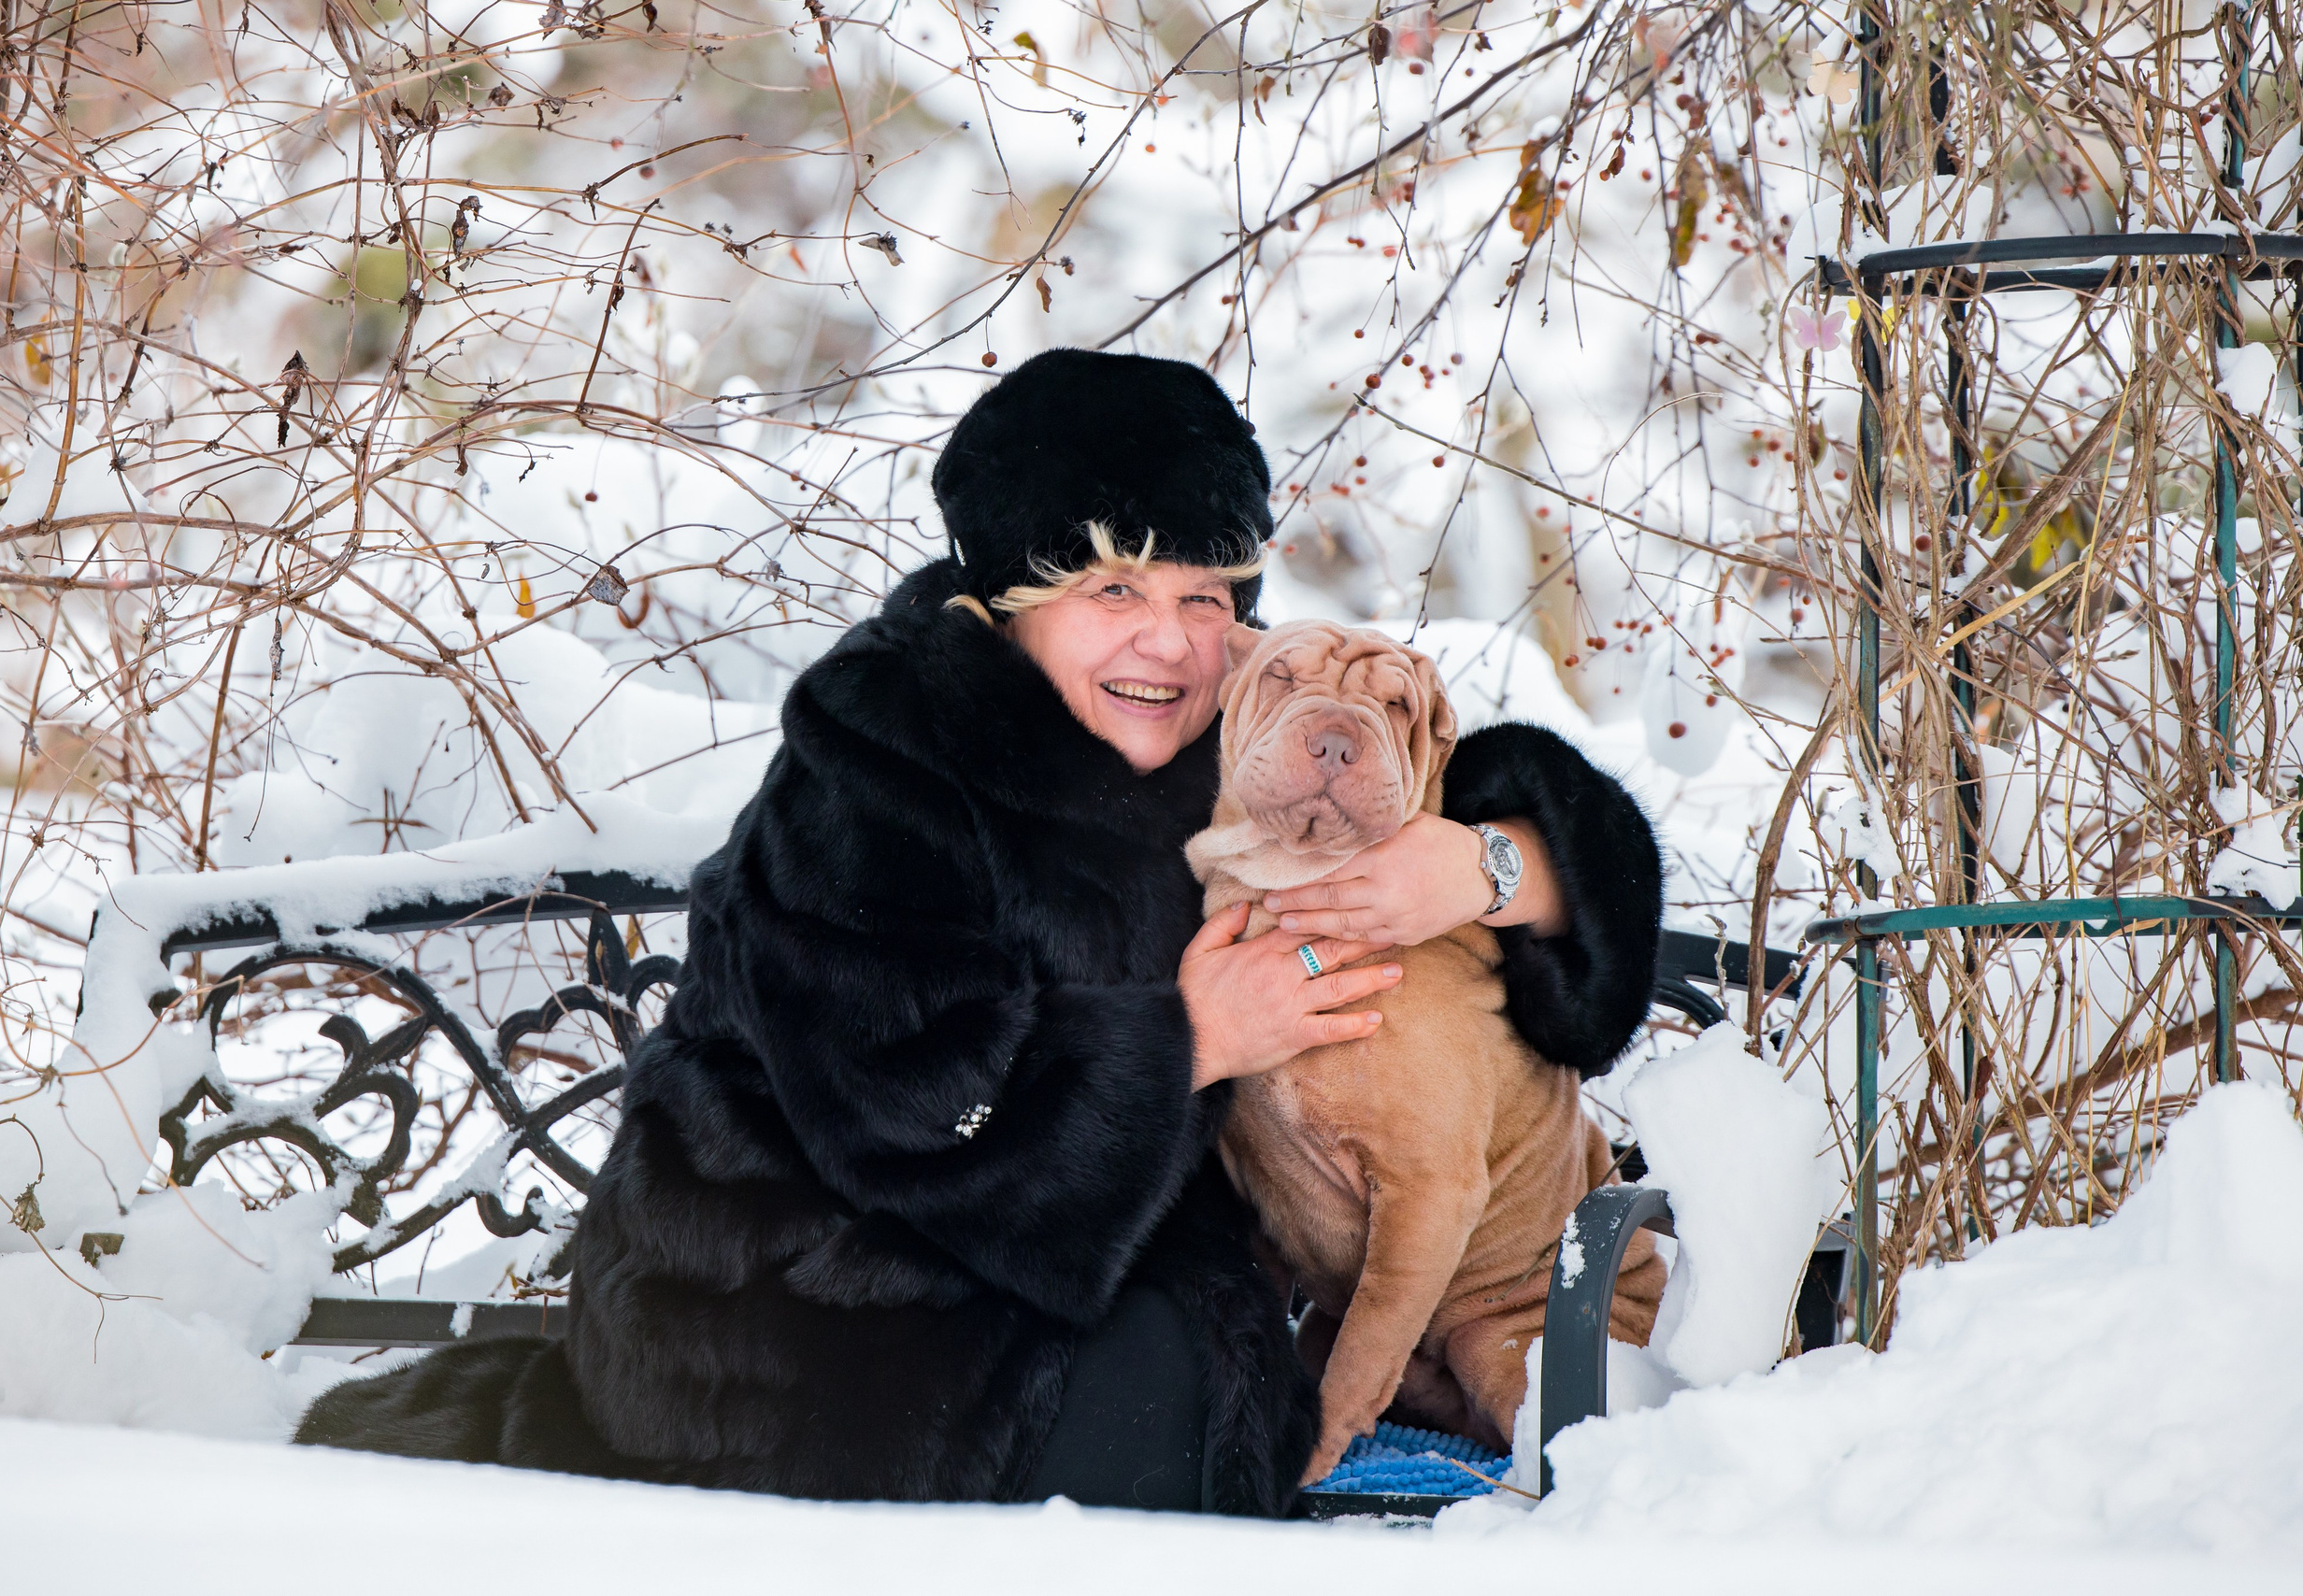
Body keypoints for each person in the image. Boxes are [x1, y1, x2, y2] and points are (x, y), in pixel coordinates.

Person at [295, 349, 1664, 1515]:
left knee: (1178, 1381)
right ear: (1010, 602)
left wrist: (1488, 868)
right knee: (1150, 1392)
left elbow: (1558, 866)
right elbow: (908, 1120)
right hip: (805, 1327)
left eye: (1205, 598)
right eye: (1115, 595)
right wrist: (1186, 1038)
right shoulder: (882, 762)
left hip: (1097, 1294)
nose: (1172, 646)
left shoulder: (1232, 745)